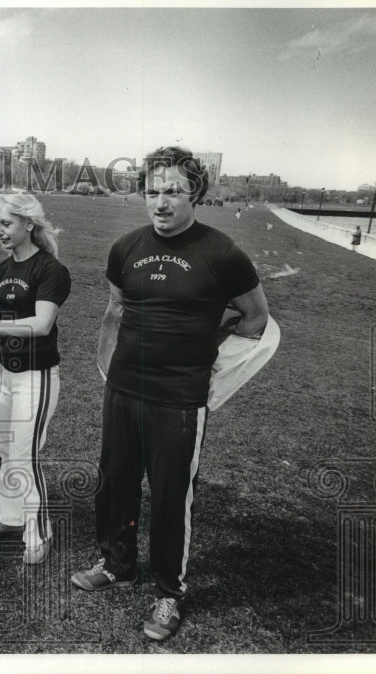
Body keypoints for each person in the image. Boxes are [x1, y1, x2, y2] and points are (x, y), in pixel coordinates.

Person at [71, 146, 269, 641]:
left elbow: (256, 317)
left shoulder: (223, 254)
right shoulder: (126, 248)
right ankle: (116, 564)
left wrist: (209, 364)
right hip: (123, 391)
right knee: (114, 482)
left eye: (173, 192)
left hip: (179, 399)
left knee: (170, 497)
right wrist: (108, 369)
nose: (161, 202)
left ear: (194, 193)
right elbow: (116, 310)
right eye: (152, 191)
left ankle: (168, 593)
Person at [0, 191, 71, 565]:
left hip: (36, 378)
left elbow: (42, 324)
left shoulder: (49, 270)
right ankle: (9, 517)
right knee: (6, 451)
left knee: (25, 455)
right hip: (3, 375)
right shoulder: (1, 271)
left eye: (6, 223)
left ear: (28, 224)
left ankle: (38, 530)